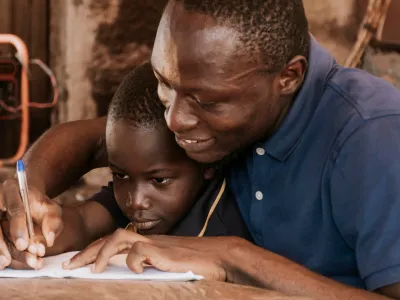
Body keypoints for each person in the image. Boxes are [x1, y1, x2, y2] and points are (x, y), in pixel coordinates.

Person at [1, 0, 400, 298]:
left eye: (207, 102)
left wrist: (231, 257)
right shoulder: (204, 86)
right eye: (163, 83)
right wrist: (28, 197)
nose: (174, 119)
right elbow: (94, 139)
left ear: (288, 77)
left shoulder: (370, 138)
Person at [0, 62, 252, 269]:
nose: (135, 200)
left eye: (159, 180)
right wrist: (29, 238)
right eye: (119, 174)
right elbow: (81, 222)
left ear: (206, 161)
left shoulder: (231, 213)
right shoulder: (137, 193)